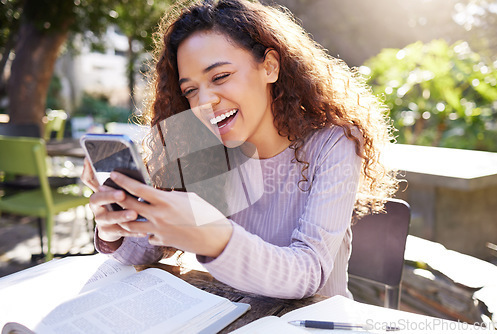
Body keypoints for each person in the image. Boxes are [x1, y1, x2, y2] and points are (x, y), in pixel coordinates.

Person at [81, 0, 398, 299]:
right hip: (231, 315)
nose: (204, 102)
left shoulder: (334, 142)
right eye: (190, 90)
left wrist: (214, 235)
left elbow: (309, 271)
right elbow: (149, 250)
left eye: (220, 76)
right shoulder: (205, 146)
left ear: (270, 67)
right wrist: (115, 228)